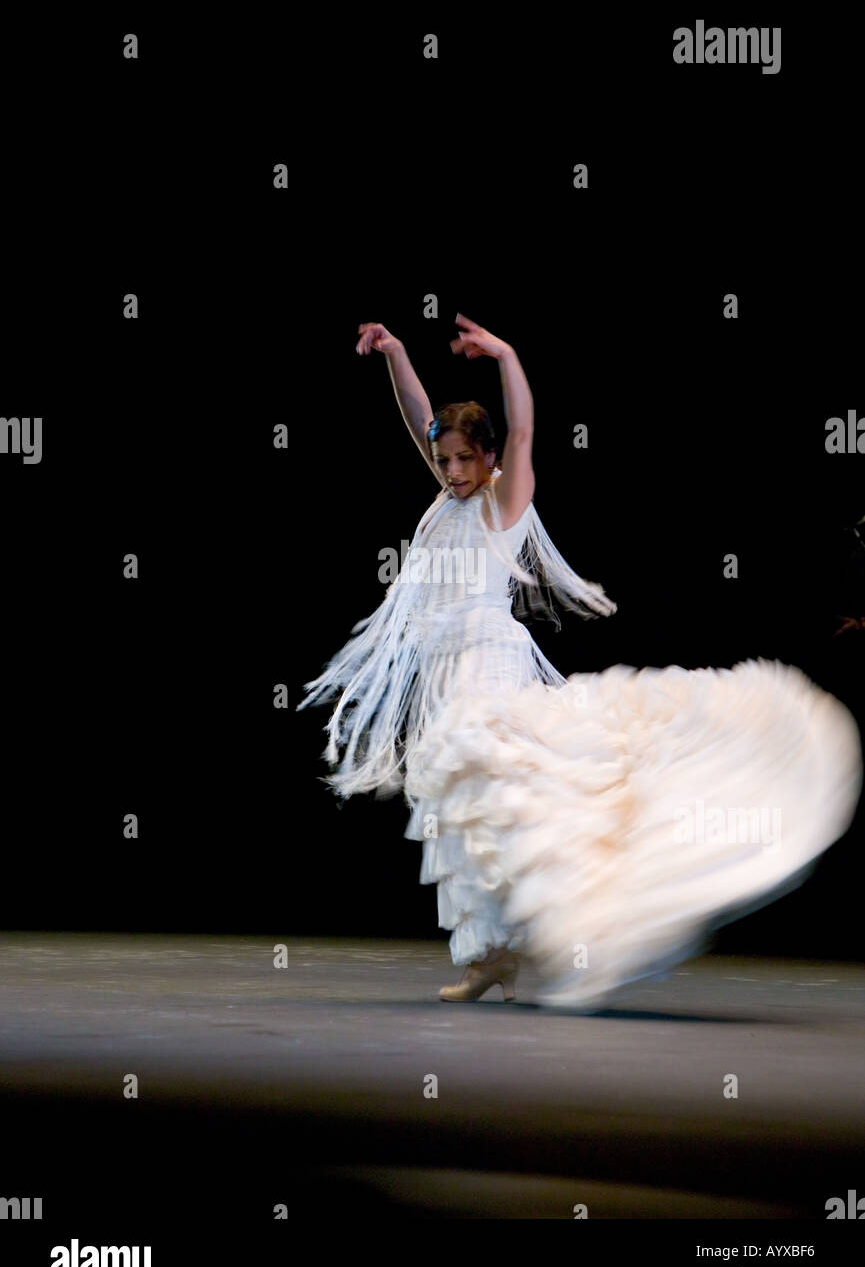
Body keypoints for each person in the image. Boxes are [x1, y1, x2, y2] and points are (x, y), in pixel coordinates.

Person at [297, 315, 863, 1011]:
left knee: (508, 800)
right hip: (445, 670)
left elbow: (525, 431)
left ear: (489, 458)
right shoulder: (447, 500)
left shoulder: (500, 505)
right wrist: (396, 353)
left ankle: (571, 919)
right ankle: (489, 958)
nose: (450, 471)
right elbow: (419, 418)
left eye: (463, 461)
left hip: (484, 664)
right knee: (461, 816)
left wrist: (504, 355)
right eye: (443, 462)